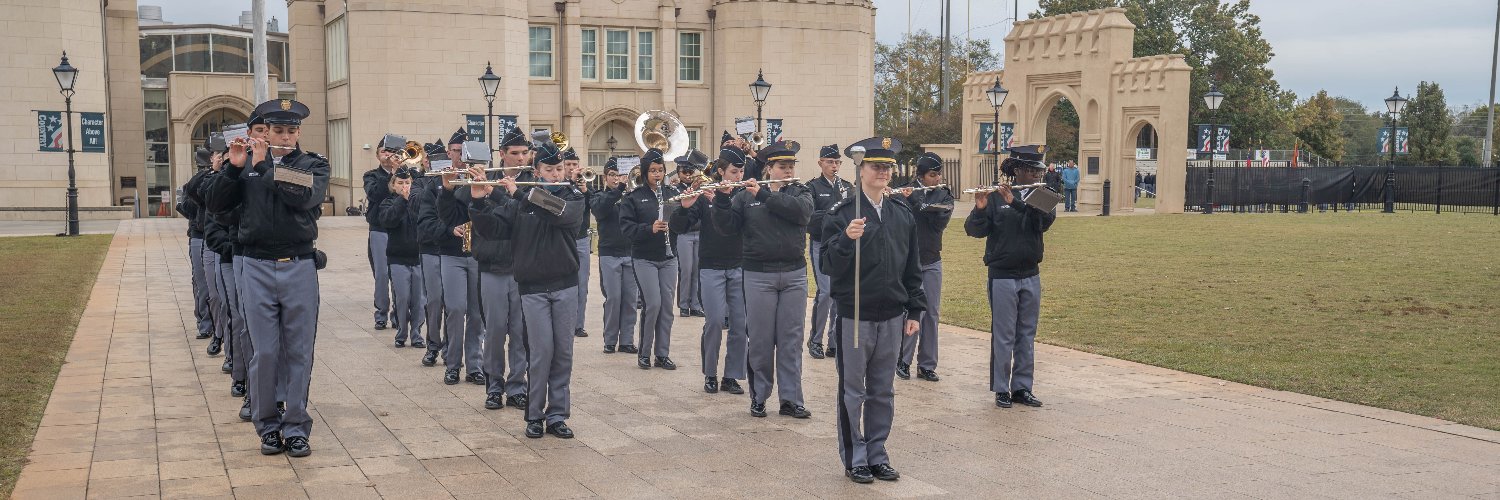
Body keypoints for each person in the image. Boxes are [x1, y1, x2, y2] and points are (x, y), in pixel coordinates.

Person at [204, 98, 329, 457]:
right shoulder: (244, 165)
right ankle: (267, 424)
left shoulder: (312, 164)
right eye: (277, 131)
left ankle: (296, 426)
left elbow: (304, 196)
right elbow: (215, 206)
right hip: (256, 265)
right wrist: (232, 168)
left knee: (299, 350)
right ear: (265, 131)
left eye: (291, 131)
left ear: (298, 133)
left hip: (299, 264)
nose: (284, 137)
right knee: (266, 351)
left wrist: (265, 166)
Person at [821, 136, 926, 484]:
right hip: (855, 316)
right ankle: (856, 457)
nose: (881, 172)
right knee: (853, 390)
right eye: (875, 166)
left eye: (887, 167)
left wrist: (914, 309)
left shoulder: (901, 215)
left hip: (892, 315)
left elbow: (912, 267)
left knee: (883, 390)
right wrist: (845, 240)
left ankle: (878, 453)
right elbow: (828, 265)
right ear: (860, 170)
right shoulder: (842, 214)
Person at [465, 142, 586, 439]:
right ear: (537, 172)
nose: (556, 175)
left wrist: (519, 193)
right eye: (549, 170)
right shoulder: (520, 203)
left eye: (559, 169)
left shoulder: (573, 197)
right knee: (541, 351)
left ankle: (557, 414)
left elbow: (559, 214)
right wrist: (480, 202)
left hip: (565, 285)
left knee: (563, 353)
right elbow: (493, 230)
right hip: (532, 289)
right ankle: (535, 414)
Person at [712, 140, 814, 419]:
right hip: (758, 274)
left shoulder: (800, 191)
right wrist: (721, 198)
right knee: (759, 339)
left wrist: (767, 196)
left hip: (793, 274)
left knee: (791, 339)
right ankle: (759, 396)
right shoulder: (745, 196)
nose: (787, 170)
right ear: (769, 169)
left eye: (790, 166)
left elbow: (801, 214)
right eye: (782, 166)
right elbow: (727, 228)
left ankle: (791, 399)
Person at [964, 144, 1057, 410]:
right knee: (1004, 334)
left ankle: (1022, 387)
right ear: (1017, 170)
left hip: (1030, 273)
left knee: (1026, 334)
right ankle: (1002, 388)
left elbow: (1042, 222)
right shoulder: (995, 196)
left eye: (1038, 169)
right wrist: (980, 209)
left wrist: (1014, 203)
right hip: (1002, 275)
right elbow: (973, 230)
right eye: (1031, 170)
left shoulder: (1045, 194)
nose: (1037, 174)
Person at [463, 132, 531, 411]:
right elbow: (465, 206)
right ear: (502, 154)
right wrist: (476, 187)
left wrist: (502, 191)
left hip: (521, 268)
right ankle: (494, 386)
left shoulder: (529, 184)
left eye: (524, 153)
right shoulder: (486, 178)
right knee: (493, 332)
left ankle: (517, 386)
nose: (520, 158)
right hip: (492, 266)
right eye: (514, 153)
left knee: (520, 331)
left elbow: (527, 212)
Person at [672, 148, 747, 395]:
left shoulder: (745, 195)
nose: (738, 176)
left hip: (739, 265)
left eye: (741, 172)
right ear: (720, 172)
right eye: (733, 172)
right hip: (712, 266)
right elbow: (680, 227)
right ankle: (711, 373)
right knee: (714, 321)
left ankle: (732, 375)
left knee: (739, 324)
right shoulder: (705, 196)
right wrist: (684, 207)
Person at [427, 129, 490, 386]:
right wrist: (447, 189)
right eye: (456, 151)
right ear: (450, 153)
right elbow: (441, 215)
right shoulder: (440, 181)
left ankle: (474, 364)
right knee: (454, 308)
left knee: (477, 313)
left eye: (466, 152)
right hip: (451, 253)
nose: (461, 157)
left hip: (478, 253)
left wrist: (482, 185)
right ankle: (452, 363)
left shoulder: (481, 177)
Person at [892, 152, 953, 382]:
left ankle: (927, 364)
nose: (937, 178)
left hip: (932, 259)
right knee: (909, 311)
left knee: (931, 313)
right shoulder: (903, 192)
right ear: (921, 175)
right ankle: (903, 360)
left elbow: (939, 222)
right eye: (932, 175)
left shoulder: (943, 194)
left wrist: (916, 202)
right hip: (908, 262)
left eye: (939, 174)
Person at [619, 149, 681, 370]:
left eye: (660, 170)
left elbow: (684, 223)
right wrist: (649, 228)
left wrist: (685, 209)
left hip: (669, 257)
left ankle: (662, 354)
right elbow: (627, 228)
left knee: (666, 307)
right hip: (644, 257)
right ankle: (644, 352)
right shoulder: (634, 197)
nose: (657, 174)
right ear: (645, 173)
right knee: (652, 304)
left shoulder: (673, 193)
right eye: (653, 171)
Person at [805, 144, 851, 360]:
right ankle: (815, 339)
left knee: (839, 293)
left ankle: (834, 341)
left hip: (842, 244)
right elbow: (810, 219)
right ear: (820, 163)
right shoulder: (812, 188)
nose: (834, 166)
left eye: (837, 162)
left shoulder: (847, 187)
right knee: (825, 293)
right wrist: (834, 215)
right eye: (829, 162)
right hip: (821, 244)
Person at [594, 158, 640, 355]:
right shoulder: (600, 196)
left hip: (631, 252)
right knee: (613, 298)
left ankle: (627, 340)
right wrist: (618, 189)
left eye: (619, 174)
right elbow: (600, 210)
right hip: (609, 253)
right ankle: (610, 339)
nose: (616, 178)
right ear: (605, 177)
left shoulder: (633, 196)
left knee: (630, 299)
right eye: (612, 175)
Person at [378, 166, 427, 352]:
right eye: (400, 183)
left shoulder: (420, 203)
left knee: (419, 300)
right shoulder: (388, 202)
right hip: (397, 258)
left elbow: (421, 222)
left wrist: (411, 202)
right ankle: (401, 332)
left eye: (407, 183)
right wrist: (401, 201)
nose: (404, 186)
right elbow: (388, 220)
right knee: (402, 298)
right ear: (393, 185)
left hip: (418, 257)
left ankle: (416, 334)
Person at [363, 136, 404, 330]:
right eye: (384, 151)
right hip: (379, 229)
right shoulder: (371, 175)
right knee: (381, 274)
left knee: (399, 274)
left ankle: (399, 314)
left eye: (392, 151)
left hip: (401, 229)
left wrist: (400, 172)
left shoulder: (408, 174)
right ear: (378, 155)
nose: (388, 155)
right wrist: (393, 175)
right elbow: (376, 194)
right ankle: (381, 313)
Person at [177, 153, 213, 341]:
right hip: (199, 235)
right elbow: (187, 208)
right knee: (202, 283)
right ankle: (205, 323)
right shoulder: (194, 183)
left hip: (219, 235)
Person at [672, 152, 709, 318]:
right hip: (685, 233)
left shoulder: (701, 188)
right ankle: (683, 304)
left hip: (700, 232)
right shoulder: (675, 189)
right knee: (686, 270)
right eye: (684, 172)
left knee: (697, 270)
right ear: (678, 172)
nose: (687, 175)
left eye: (690, 172)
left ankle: (695, 304)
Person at [562, 147, 594, 338]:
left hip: (581, 239)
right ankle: (565, 322)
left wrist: (586, 191)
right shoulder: (559, 184)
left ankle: (578, 324)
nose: (572, 168)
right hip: (564, 239)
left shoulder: (585, 185)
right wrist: (571, 184)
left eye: (575, 164)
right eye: (568, 165)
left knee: (582, 283)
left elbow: (595, 207)